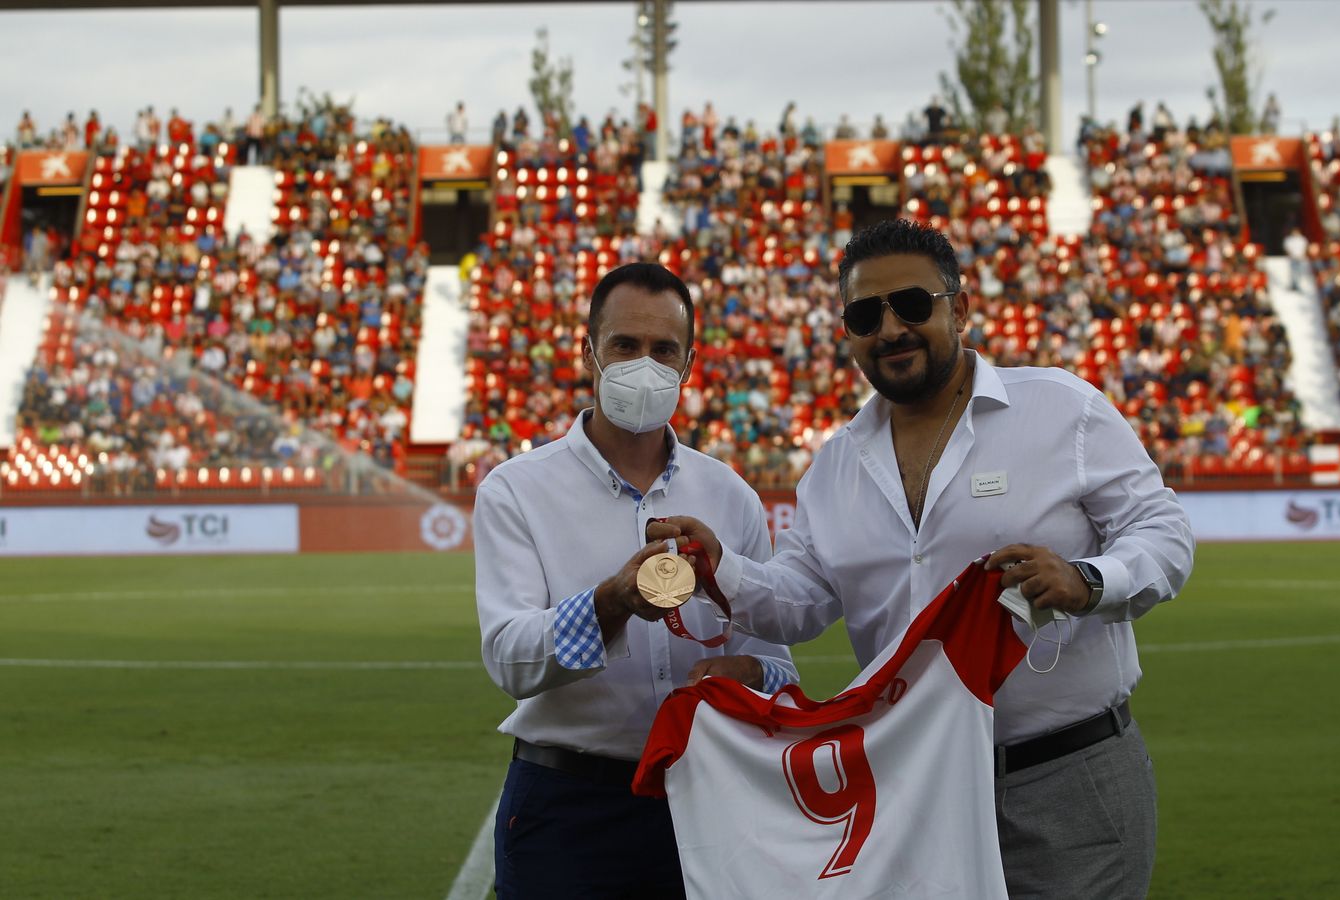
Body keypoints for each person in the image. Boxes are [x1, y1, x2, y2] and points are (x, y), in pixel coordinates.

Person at [653, 219, 1195, 898]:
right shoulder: (834, 467)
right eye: (864, 314)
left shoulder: (1063, 412)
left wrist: (1087, 581)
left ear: (960, 308)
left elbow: (1164, 532)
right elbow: (797, 600)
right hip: (914, 792)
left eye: (912, 305)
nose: (890, 330)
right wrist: (719, 566)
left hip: (1066, 776)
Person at [473, 262, 799, 899]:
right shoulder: (517, 491)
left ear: (689, 362)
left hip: (707, 798)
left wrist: (754, 676)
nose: (643, 365)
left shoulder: (731, 497)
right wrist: (612, 602)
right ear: (588, 350)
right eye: (625, 345)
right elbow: (509, 660)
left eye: (663, 350)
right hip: (569, 807)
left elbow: (780, 668)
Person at [1283, 226, 1310, 290]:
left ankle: (1298, 285)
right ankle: (1292, 285)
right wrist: (1291, 255)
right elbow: (1287, 248)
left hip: (1301, 258)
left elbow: (1306, 248)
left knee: (1299, 272)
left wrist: (1302, 255)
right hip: (1293, 258)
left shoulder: (1303, 239)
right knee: (1292, 272)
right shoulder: (1289, 239)